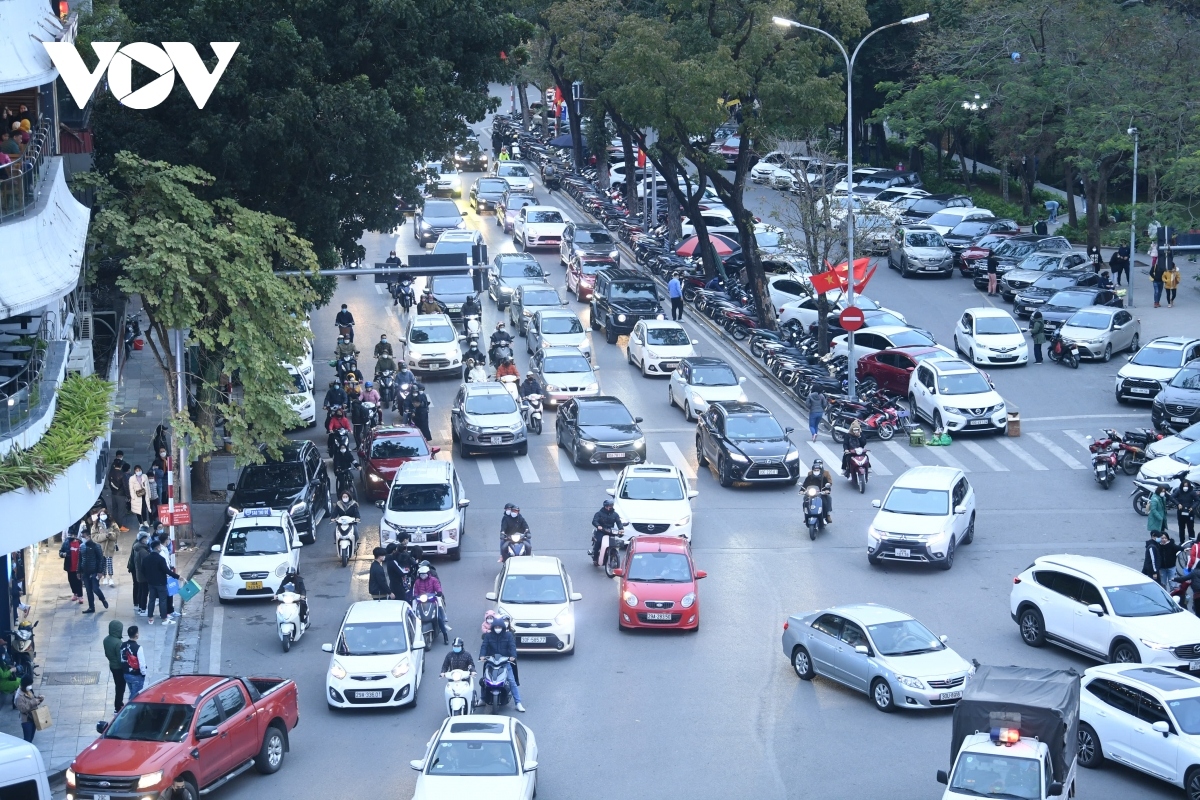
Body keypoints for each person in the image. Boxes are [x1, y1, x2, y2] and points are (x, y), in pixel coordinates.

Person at [479, 616, 524, 712]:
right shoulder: (488, 636)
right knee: (484, 681)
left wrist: (513, 656)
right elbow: (484, 646)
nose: (498, 629)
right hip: (491, 662)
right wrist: (482, 656)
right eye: (496, 627)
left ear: (503, 627)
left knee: (512, 681)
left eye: (500, 627)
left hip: (504, 662)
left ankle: (518, 703)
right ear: (493, 627)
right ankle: (483, 699)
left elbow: (512, 646)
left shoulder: (508, 636)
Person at [413, 564, 451, 645]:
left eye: (424, 574)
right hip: (421, 601)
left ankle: (445, 634)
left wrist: (439, 592)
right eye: (421, 574)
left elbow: (438, 587)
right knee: (414, 614)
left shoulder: (433, 580)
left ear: (428, 573)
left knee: (439, 617)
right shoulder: (417, 582)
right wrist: (414, 596)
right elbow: (415, 591)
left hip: (433, 599)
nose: (423, 576)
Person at [142, 541, 178, 625]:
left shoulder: (146, 559)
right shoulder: (161, 559)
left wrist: (148, 578)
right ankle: (164, 618)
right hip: (161, 583)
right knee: (163, 600)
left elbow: (142, 570)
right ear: (158, 547)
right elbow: (166, 571)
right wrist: (177, 576)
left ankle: (150, 618)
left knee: (151, 600)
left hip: (151, 583)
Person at [79, 530, 109, 613]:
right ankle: (91, 607)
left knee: (95, 588)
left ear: (89, 536)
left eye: (84, 536)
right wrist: (79, 571)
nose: (83, 538)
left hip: (94, 571)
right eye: (82, 537)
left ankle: (102, 599)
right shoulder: (82, 546)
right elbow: (80, 560)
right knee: (88, 591)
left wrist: (100, 571)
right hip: (85, 572)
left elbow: (101, 559)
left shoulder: (96, 546)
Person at [103, 620, 126, 712]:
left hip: (112, 665)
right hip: (118, 668)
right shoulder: (118, 642)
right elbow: (120, 658)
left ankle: (118, 704)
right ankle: (118, 705)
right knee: (121, 687)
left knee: (118, 685)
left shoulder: (106, 639)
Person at [802, 460, 833, 524]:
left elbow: (828, 484)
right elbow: (805, 484)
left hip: (821, 492)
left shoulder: (825, 475)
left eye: (817, 470)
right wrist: (802, 491)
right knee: (805, 500)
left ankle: (826, 515)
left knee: (826, 501)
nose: (816, 471)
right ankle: (806, 516)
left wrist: (827, 490)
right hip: (811, 492)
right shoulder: (810, 475)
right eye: (815, 470)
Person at [14, 677, 43, 742]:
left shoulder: (28, 691)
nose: (30, 686)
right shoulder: (18, 697)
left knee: (31, 737)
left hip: (33, 717)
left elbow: (33, 701)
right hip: (27, 720)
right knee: (27, 739)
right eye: (29, 684)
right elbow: (23, 709)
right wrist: (34, 702)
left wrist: (39, 700)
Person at [121, 626, 146, 699]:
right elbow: (142, 663)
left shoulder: (123, 645)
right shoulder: (138, 648)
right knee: (135, 697)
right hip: (136, 675)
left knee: (132, 691)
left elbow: (122, 658)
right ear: (136, 634)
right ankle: (128, 709)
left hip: (126, 674)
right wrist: (143, 674)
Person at [128, 531, 150, 616]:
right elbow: (146, 563)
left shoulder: (137, 548)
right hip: (143, 575)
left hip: (139, 574)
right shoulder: (142, 550)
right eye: (145, 538)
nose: (147, 540)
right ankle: (143, 609)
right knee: (144, 592)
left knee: (141, 591)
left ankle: (141, 608)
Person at [61, 528, 84, 604]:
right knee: (71, 581)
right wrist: (63, 554)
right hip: (69, 566)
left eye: (71, 535)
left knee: (79, 582)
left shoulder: (80, 543)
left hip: (78, 567)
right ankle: (75, 593)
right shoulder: (66, 543)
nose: (70, 536)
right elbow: (61, 552)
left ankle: (80, 596)